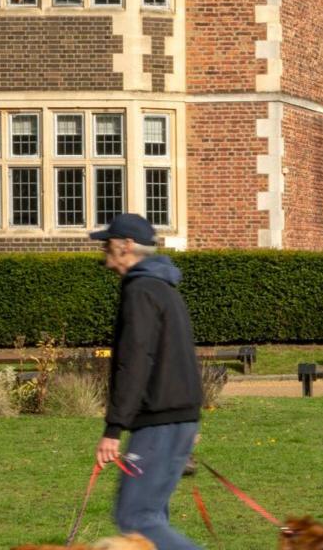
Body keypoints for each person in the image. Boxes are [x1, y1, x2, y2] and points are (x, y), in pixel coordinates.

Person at [89, 211, 205, 550]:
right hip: (176, 419)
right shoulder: (164, 288)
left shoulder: (140, 291)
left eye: (107, 248)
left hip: (159, 422)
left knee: (136, 519)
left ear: (126, 246)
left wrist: (113, 429)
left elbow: (134, 362)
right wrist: (191, 420)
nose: (105, 258)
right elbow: (184, 356)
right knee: (153, 518)